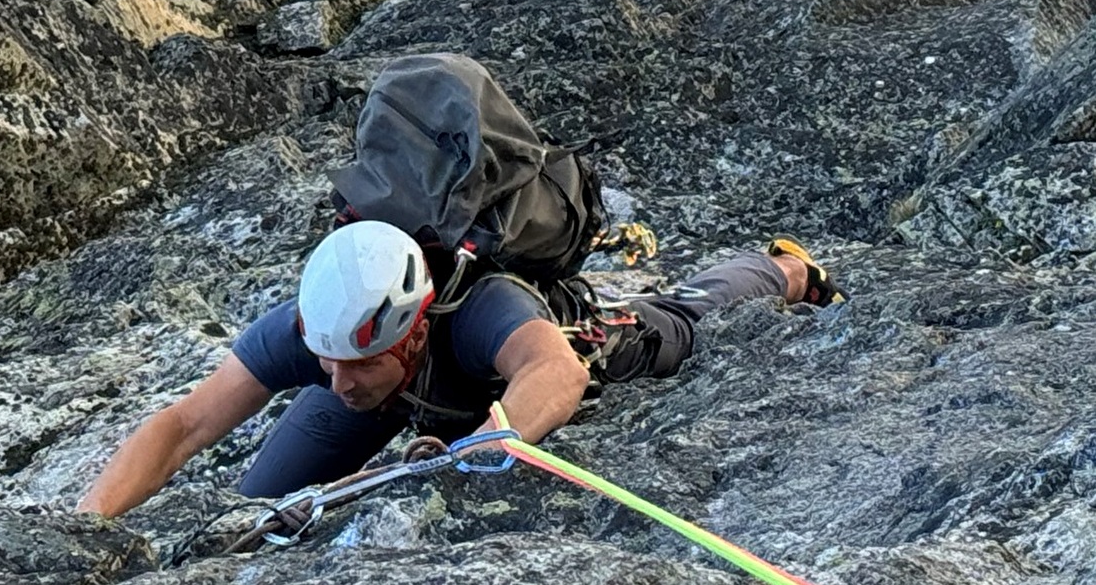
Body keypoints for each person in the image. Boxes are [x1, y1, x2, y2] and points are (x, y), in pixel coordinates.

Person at [76, 220, 847, 517]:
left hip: (576, 342)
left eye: (359, 362)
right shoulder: (324, 333)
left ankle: (779, 267)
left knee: (684, 317)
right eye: (326, 361)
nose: (336, 378)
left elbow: (556, 373)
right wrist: (84, 524)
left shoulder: (483, 310)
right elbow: (183, 427)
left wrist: (483, 441)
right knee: (257, 510)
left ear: (412, 331)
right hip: (405, 402)